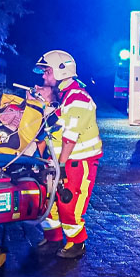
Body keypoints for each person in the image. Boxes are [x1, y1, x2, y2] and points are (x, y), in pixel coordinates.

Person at [32, 50, 102, 259]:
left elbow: (70, 138)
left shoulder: (77, 98)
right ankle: (53, 237)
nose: (43, 76)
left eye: (47, 71)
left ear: (61, 71)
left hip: (77, 162)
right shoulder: (63, 96)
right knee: (47, 200)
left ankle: (77, 243)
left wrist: (61, 166)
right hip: (57, 161)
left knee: (68, 203)